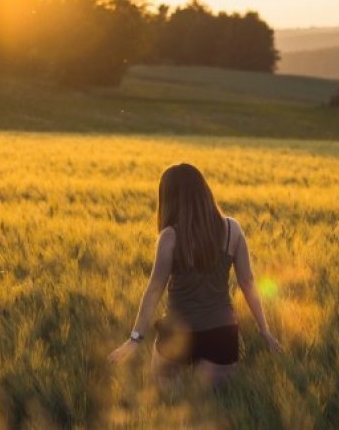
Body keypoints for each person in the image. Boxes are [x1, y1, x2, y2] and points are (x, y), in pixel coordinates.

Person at [107, 163, 282, 388]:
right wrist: (264, 331)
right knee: (215, 410)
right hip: (221, 334)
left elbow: (153, 290)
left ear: (168, 198)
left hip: (177, 335)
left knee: (167, 406)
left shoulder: (169, 237)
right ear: (204, 191)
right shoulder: (233, 230)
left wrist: (134, 340)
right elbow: (248, 283)